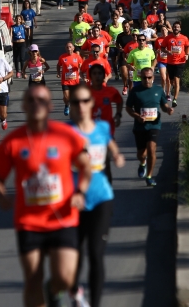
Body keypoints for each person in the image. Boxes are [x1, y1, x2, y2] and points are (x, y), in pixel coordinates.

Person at [0, 85, 91, 307]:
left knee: (64, 278)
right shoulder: (13, 141)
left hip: (63, 217)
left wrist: (80, 192)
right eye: (32, 100)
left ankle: (54, 292)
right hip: (29, 222)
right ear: (24, 106)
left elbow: (86, 166)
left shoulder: (65, 135)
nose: (36, 105)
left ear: (50, 106)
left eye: (42, 100)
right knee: (32, 280)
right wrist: (1, 196)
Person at [67, 84, 125, 307]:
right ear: (70, 105)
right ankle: (75, 292)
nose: (81, 106)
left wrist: (117, 156)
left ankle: (95, 303)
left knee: (95, 253)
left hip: (101, 197)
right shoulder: (66, 132)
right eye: (75, 102)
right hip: (74, 199)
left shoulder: (101, 127)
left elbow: (110, 144)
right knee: (73, 254)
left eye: (85, 101)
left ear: (92, 104)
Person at [125, 67, 174, 187]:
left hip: (154, 125)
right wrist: (137, 116)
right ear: (140, 78)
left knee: (152, 148)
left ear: (153, 77)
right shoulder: (135, 91)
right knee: (141, 154)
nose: (147, 80)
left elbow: (163, 105)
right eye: (144, 78)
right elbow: (128, 108)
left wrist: (168, 109)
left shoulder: (158, 90)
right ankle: (142, 163)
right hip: (140, 126)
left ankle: (149, 176)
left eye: (149, 77)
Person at [88, 65, 124, 139]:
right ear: (90, 76)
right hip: (89, 132)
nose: (97, 76)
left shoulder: (111, 91)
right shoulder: (84, 92)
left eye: (99, 73)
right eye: (94, 74)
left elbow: (119, 101)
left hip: (107, 130)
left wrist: (118, 114)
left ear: (104, 76)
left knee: (111, 150)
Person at [163, 21, 189, 107]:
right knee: (171, 80)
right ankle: (174, 87)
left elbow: (188, 46)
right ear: (172, 28)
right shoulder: (168, 38)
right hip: (170, 62)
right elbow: (162, 48)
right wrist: (167, 51)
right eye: (174, 27)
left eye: (177, 27)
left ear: (180, 29)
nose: (176, 28)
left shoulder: (184, 38)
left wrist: (187, 54)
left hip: (180, 62)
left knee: (176, 79)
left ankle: (175, 99)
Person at [57, 42, 84, 116]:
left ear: (73, 48)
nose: (68, 48)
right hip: (65, 81)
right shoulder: (62, 57)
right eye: (67, 47)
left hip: (75, 81)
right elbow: (58, 65)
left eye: (70, 47)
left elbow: (81, 66)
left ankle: (74, 108)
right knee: (66, 96)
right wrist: (58, 73)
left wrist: (82, 74)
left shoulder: (77, 57)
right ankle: (66, 105)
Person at [154, 25, 171, 99]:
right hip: (161, 61)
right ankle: (163, 92)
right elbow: (155, 50)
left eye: (165, 30)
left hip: (170, 61)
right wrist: (157, 51)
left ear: (167, 30)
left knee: (168, 78)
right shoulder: (158, 40)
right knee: (163, 78)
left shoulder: (171, 39)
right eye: (162, 30)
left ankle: (168, 94)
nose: (164, 31)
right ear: (161, 32)